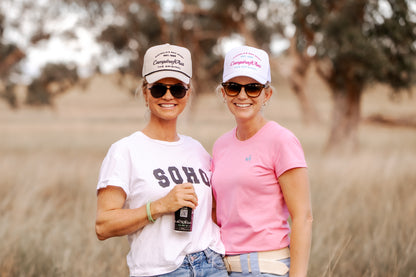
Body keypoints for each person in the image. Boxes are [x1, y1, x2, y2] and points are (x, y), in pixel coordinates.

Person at [95, 43, 227, 277]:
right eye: (158, 89)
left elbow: (215, 212)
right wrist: (158, 207)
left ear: (188, 93)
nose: (168, 96)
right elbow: (103, 226)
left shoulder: (197, 150)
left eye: (177, 89)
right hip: (162, 271)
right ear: (146, 93)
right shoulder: (125, 150)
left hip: (211, 264)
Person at [211, 45, 313, 277]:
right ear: (224, 92)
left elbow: (303, 217)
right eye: (234, 87)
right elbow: (220, 213)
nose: (243, 95)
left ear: (267, 94)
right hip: (221, 267)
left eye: (253, 88)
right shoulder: (220, 145)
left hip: (266, 268)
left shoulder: (282, 141)